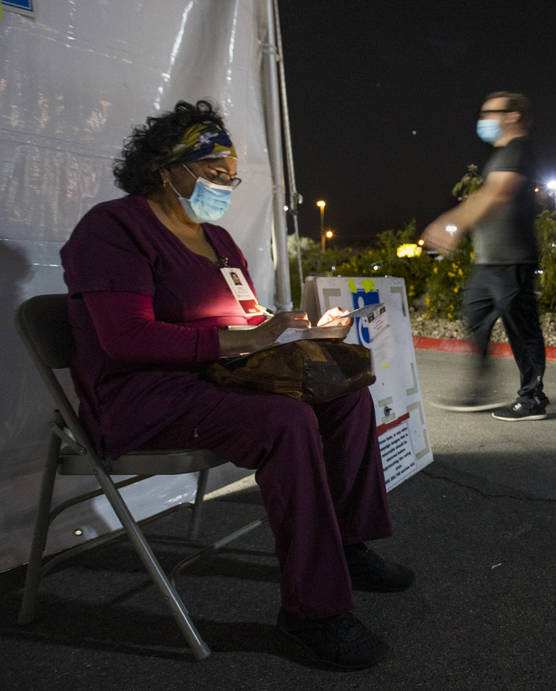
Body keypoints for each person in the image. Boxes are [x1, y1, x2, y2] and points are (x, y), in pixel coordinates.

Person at [59, 101, 410, 670]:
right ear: (167, 168)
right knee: (287, 420)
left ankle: (347, 546)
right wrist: (244, 344)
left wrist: (289, 328)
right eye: (212, 172)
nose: (225, 183)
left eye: (231, 175)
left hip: (219, 380)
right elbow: (125, 339)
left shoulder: (218, 240)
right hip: (143, 396)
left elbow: (242, 319)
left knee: (343, 391)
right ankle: (312, 612)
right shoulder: (114, 227)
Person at [423, 91, 549, 421]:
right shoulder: (503, 154)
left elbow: (496, 193)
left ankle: (532, 397)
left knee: (522, 329)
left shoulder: (519, 150)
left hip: (513, 258)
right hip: (488, 260)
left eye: (490, 113)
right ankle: (481, 389)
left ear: (512, 116)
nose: (483, 120)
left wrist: (451, 222)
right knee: (475, 316)